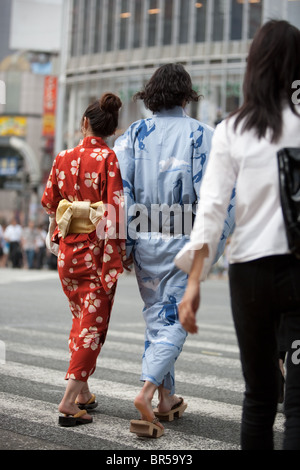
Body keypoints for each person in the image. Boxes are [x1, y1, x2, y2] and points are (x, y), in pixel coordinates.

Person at [175, 20, 300, 450]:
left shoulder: (233, 129)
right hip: (298, 271)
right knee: (299, 404)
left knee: (259, 397)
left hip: (249, 274)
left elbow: (210, 209)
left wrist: (193, 284)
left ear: (254, 66)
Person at [113, 63, 235, 438]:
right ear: (187, 95)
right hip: (185, 237)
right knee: (177, 318)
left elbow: (121, 192)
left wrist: (126, 243)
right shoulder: (204, 135)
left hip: (146, 236)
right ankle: (148, 391)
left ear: (151, 95)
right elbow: (221, 196)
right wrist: (211, 245)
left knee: (157, 316)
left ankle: (167, 400)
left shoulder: (133, 135)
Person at [41, 93, 126, 426]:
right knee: (93, 328)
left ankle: (83, 394)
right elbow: (114, 211)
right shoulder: (108, 158)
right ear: (111, 129)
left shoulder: (63, 156)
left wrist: (58, 230)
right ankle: (67, 402)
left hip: (68, 254)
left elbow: (51, 202)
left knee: (80, 319)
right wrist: (116, 253)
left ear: (84, 123)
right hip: (93, 253)